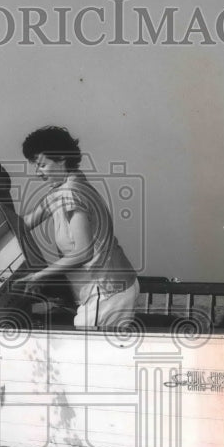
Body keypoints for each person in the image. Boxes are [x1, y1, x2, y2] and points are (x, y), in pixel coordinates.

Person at [17, 126, 139, 329]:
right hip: (107, 291)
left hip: (108, 291)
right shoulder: (62, 190)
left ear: (62, 158)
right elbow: (25, 223)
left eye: (42, 165)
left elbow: (83, 252)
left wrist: (38, 276)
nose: (37, 173)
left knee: (84, 352)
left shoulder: (72, 192)